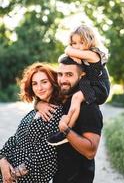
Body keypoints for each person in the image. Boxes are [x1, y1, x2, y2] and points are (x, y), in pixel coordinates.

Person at [46, 25, 110, 145]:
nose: (77, 46)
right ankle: (67, 125)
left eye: (81, 42)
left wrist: (72, 52)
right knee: (69, 96)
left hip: (100, 87)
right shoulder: (82, 53)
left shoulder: (94, 54)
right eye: (74, 43)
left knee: (76, 98)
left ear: (90, 41)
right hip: (88, 83)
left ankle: (65, 131)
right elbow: (62, 57)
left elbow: (67, 51)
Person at [0, 62, 64, 183]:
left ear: (53, 83)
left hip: (28, 176)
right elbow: (16, 138)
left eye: (44, 82)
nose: (39, 88)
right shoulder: (35, 110)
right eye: (35, 84)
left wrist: (14, 174)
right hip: (8, 169)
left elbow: (47, 150)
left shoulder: (56, 111)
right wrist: (2, 159)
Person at [52, 55, 103, 183]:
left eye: (69, 75)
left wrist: (66, 130)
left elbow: (90, 151)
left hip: (78, 178)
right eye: (60, 74)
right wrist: (39, 105)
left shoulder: (88, 106)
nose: (63, 80)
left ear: (81, 76)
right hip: (60, 176)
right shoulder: (66, 98)